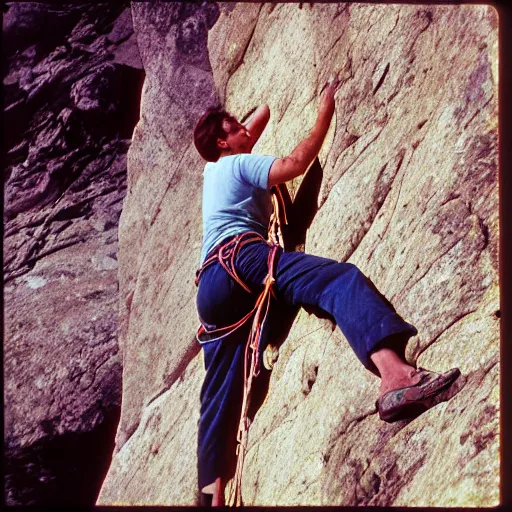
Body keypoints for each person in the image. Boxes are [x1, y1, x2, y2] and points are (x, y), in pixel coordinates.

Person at [192, 82, 460, 506]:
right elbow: (297, 163)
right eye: (236, 128)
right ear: (225, 142)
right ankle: (396, 378)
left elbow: (260, 113)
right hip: (243, 259)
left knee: (217, 394)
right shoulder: (239, 165)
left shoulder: (214, 171)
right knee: (339, 280)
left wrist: (235, 129)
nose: (249, 128)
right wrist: (326, 109)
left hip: (210, 286)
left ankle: (210, 495)